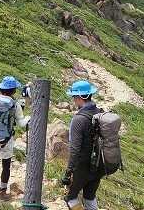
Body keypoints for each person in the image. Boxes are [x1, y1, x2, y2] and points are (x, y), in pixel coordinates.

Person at [62, 80, 103, 210]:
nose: (73, 100)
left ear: (79, 97)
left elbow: (74, 149)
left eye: (74, 97)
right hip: (98, 165)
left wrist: (68, 172)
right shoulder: (100, 113)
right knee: (89, 196)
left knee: (71, 198)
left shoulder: (78, 119)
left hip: (82, 167)